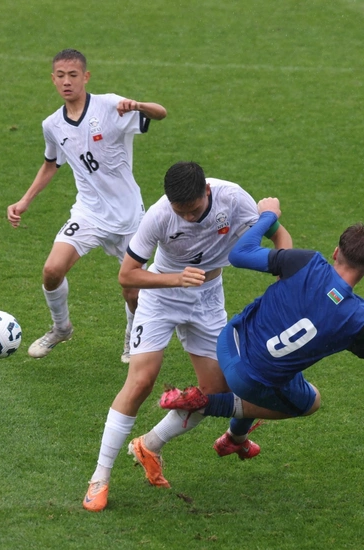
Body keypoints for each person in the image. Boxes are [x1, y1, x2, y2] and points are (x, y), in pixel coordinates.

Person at [83, 161, 292, 512]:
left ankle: (150, 444)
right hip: (161, 298)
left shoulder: (232, 198)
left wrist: (284, 278)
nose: (188, 218)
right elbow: (127, 275)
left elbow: (278, 235)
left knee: (214, 392)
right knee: (141, 381)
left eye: (194, 211)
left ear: (207, 191)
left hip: (208, 301)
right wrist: (175, 279)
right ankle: (100, 477)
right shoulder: (159, 215)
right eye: (181, 213)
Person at [155, 198, 364, 477]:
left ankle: (235, 439)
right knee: (310, 400)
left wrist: (268, 216)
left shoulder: (305, 261)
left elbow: (240, 255)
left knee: (283, 375)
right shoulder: (358, 319)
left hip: (229, 341)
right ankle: (207, 404)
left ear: (335, 252)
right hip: (248, 379)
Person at [7, 48, 167, 362]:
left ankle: (132, 336)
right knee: (52, 270)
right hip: (89, 213)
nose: (67, 81)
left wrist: (138, 105)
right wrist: (24, 200)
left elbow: (160, 113)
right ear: (53, 80)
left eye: (73, 75)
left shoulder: (110, 106)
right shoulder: (52, 124)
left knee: (132, 291)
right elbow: (51, 164)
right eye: (61, 76)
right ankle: (61, 328)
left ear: (86, 77)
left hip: (129, 218)